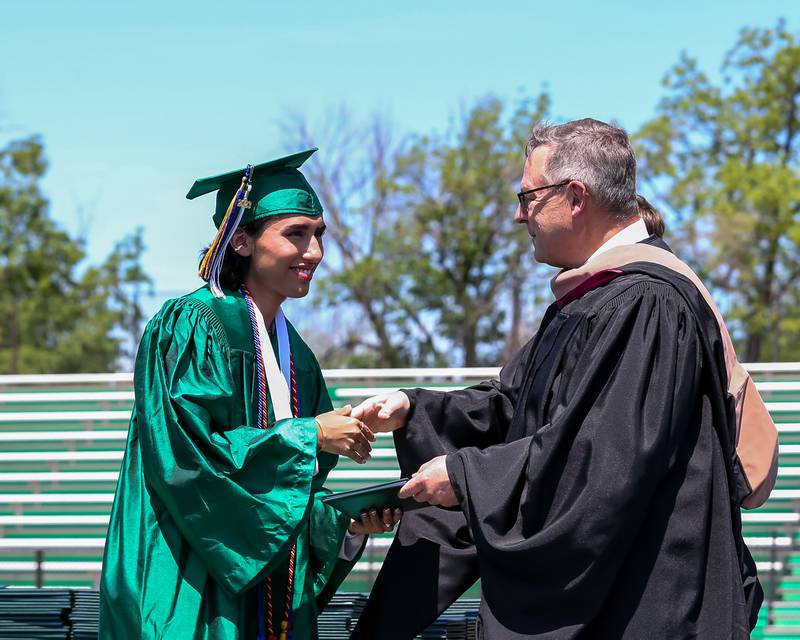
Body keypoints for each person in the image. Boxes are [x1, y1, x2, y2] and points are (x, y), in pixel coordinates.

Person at [352, 120, 778, 639]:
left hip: (644, 605)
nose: (518, 214)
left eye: (528, 196)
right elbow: (517, 408)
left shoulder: (647, 303)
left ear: (575, 197)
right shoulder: (596, 301)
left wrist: (465, 478)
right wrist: (415, 409)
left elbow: (599, 460)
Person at [99, 149, 400, 640]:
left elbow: (285, 497)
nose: (315, 252)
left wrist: (346, 525)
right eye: (296, 234)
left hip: (266, 594)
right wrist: (309, 435)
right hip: (187, 581)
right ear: (241, 239)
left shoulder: (296, 355)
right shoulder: (193, 326)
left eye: (319, 234)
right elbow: (187, 462)